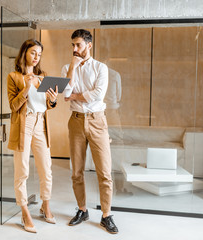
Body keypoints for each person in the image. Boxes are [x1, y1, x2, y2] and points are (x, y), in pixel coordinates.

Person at [62, 29, 119, 234]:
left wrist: (74, 96)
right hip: (75, 122)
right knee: (76, 171)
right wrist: (72, 69)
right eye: (73, 45)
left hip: (97, 122)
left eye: (78, 44)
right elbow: (65, 93)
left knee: (104, 171)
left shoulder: (100, 68)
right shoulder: (67, 67)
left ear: (89, 45)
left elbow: (97, 96)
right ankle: (82, 210)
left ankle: (106, 215)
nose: (75, 49)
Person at [7, 39, 58, 233]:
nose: (36, 57)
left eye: (39, 54)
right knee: (22, 171)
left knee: (46, 168)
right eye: (33, 53)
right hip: (23, 123)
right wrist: (27, 87)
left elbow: (47, 105)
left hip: (40, 123)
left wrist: (52, 100)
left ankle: (46, 206)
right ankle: (24, 211)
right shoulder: (13, 76)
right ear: (25, 53)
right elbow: (13, 106)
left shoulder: (43, 76)